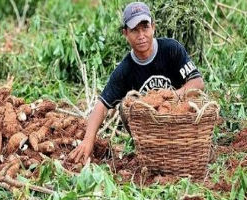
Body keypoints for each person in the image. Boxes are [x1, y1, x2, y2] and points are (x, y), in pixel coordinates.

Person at [69, 1, 204, 164]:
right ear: (125, 33)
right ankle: (148, 151)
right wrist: (88, 140)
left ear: (153, 27)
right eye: (134, 30)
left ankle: (188, 148)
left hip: (180, 125)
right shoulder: (125, 70)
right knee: (125, 107)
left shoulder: (171, 49)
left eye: (145, 28)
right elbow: (102, 105)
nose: (141, 35)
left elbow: (197, 82)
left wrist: (172, 96)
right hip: (151, 132)